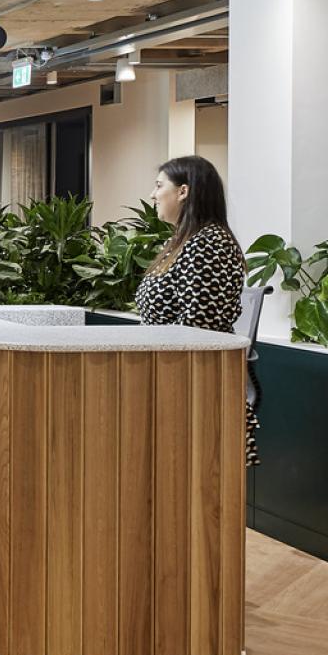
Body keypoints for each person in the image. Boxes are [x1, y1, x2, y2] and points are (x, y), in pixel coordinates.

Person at [135, 155, 258, 466]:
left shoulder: (208, 243)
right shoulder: (186, 240)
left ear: (183, 191)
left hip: (196, 389)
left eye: (159, 185)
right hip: (176, 383)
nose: (153, 194)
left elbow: (197, 327)